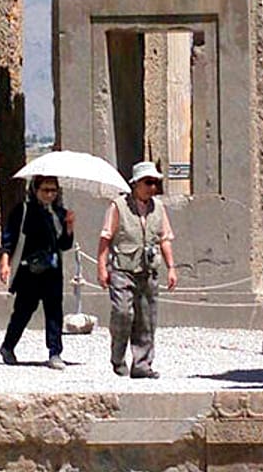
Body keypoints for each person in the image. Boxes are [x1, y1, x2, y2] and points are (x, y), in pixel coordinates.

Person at [97, 161, 177, 378]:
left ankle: (142, 364)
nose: (153, 188)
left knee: (146, 318)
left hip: (148, 270)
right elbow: (105, 239)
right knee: (123, 313)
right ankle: (117, 355)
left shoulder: (158, 208)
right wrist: (102, 268)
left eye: (155, 183)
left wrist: (171, 267)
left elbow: (165, 239)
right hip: (123, 270)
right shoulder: (118, 206)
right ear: (136, 184)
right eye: (148, 183)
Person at [0, 174, 75, 370]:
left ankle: (55, 352)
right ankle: (8, 346)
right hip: (29, 272)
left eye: (53, 190)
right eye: (45, 190)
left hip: (52, 271)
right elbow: (10, 238)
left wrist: (69, 227)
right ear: (35, 190)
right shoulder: (24, 210)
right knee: (23, 312)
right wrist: (5, 261)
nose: (49, 194)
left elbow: (64, 245)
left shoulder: (59, 213)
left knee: (54, 312)